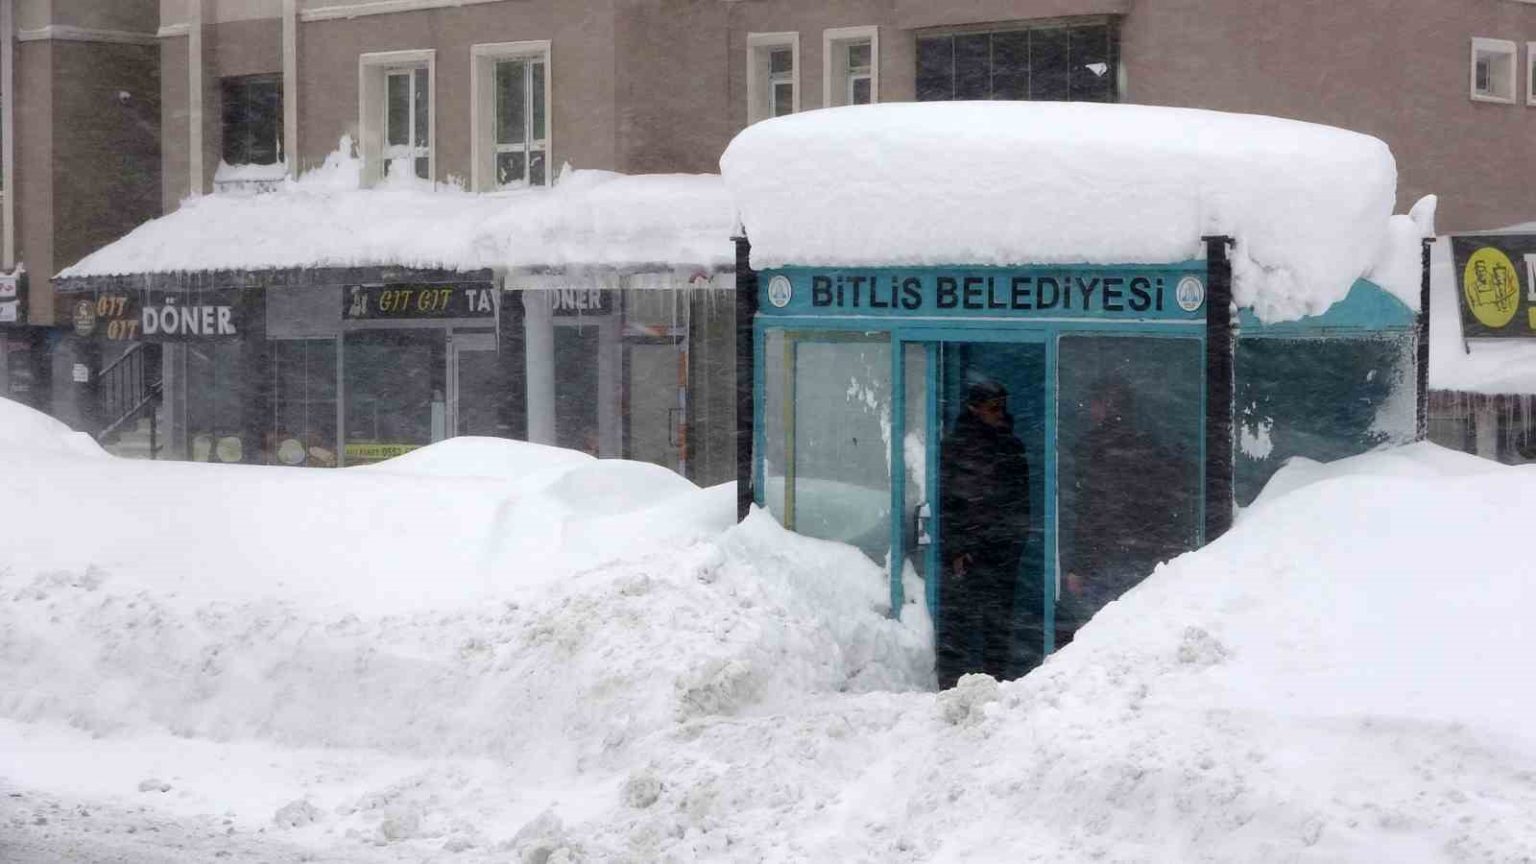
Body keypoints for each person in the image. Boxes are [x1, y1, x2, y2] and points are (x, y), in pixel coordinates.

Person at [1058, 378, 1193, 646]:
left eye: (1095, 403)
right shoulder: (1147, 446)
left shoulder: (1094, 450)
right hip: (1139, 553)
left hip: (1106, 556)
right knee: (1132, 630)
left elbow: (1092, 511)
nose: (1090, 410)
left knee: (1096, 635)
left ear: (1107, 405)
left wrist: (1079, 565)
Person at [936, 377, 1033, 689]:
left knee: (997, 629)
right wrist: (956, 549)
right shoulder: (956, 448)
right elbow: (947, 503)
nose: (999, 413)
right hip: (968, 554)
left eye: (1002, 407)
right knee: (958, 627)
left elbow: (1020, 503)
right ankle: (950, 689)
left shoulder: (1010, 447)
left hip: (1000, 550)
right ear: (974, 409)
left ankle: (995, 687)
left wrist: (1013, 544)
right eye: (993, 408)